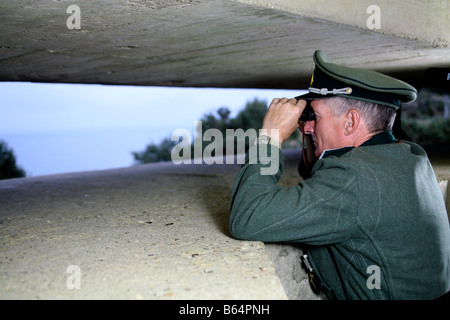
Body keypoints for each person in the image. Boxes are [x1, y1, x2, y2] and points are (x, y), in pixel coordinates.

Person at [229, 50, 450, 300]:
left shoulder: (353, 177)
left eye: (315, 117)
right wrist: (316, 144)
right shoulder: (411, 156)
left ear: (350, 122)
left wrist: (270, 138)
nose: (307, 125)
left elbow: (248, 218)